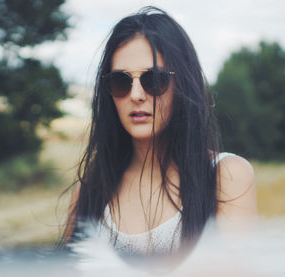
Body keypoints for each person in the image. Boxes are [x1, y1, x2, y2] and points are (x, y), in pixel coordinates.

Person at [61, 6, 257, 266]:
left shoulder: (225, 176)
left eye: (154, 80)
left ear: (183, 84)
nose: (136, 95)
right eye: (121, 81)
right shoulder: (90, 190)